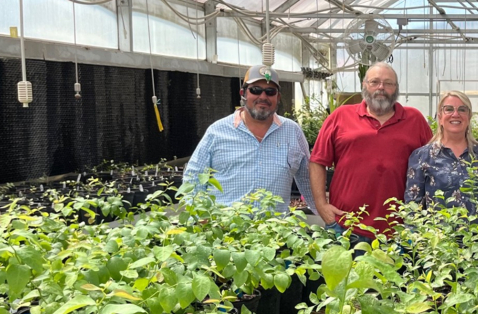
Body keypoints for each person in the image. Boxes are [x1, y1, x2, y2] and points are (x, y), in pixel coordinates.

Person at [309, 62, 432, 241]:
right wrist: (321, 206)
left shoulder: (415, 119)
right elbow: (318, 161)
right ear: (364, 86)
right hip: (345, 226)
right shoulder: (340, 116)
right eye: (375, 82)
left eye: (388, 83)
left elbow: (433, 164)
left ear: (396, 88)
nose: (381, 87)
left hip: (399, 231)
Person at [183, 65, 315, 213]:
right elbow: (193, 176)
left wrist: (329, 220)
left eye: (270, 92)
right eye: (255, 90)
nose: (263, 97)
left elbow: (308, 180)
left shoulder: (292, 131)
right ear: (243, 93)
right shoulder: (218, 131)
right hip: (226, 229)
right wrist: (198, 215)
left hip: (274, 231)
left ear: (277, 97)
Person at [405, 91, 478, 212]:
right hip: (437, 231)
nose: (455, 114)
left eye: (462, 109)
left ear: (469, 117)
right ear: (440, 117)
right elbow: (412, 210)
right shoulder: (422, 157)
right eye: (449, 109)